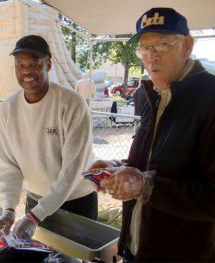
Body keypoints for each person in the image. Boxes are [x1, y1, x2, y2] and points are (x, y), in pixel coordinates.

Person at [90, 7, 215, 262]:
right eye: (145, 48)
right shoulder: (149, 95)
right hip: (135, 249)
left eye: (162, 45)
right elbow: (152, 162)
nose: (151, 57)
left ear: (187, 46)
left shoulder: (210, 98)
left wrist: (145, 186)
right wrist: (117, 170)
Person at [0, 35, 97, 241]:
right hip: (35, 202)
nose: (26, 71)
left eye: (33, 64)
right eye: (19, 65)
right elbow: (7, 165)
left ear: (48, 65)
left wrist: (34, 217)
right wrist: (8, 209)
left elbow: (72, 171)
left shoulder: (72, 104)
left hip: (76, 202)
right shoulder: (8, 108)